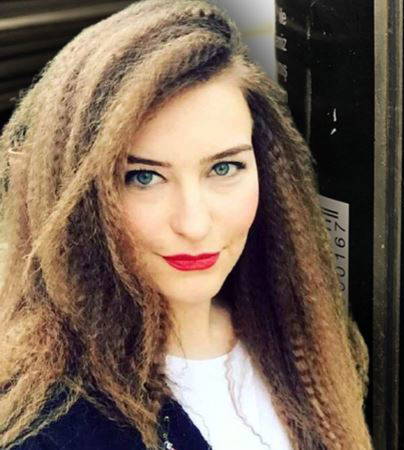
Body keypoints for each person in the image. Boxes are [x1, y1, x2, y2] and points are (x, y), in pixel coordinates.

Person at [0, 0, 371, 448]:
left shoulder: (304, 339)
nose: (193, 224)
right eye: (143, 177)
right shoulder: (47, 426)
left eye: (224, 168)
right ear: (77, 196)